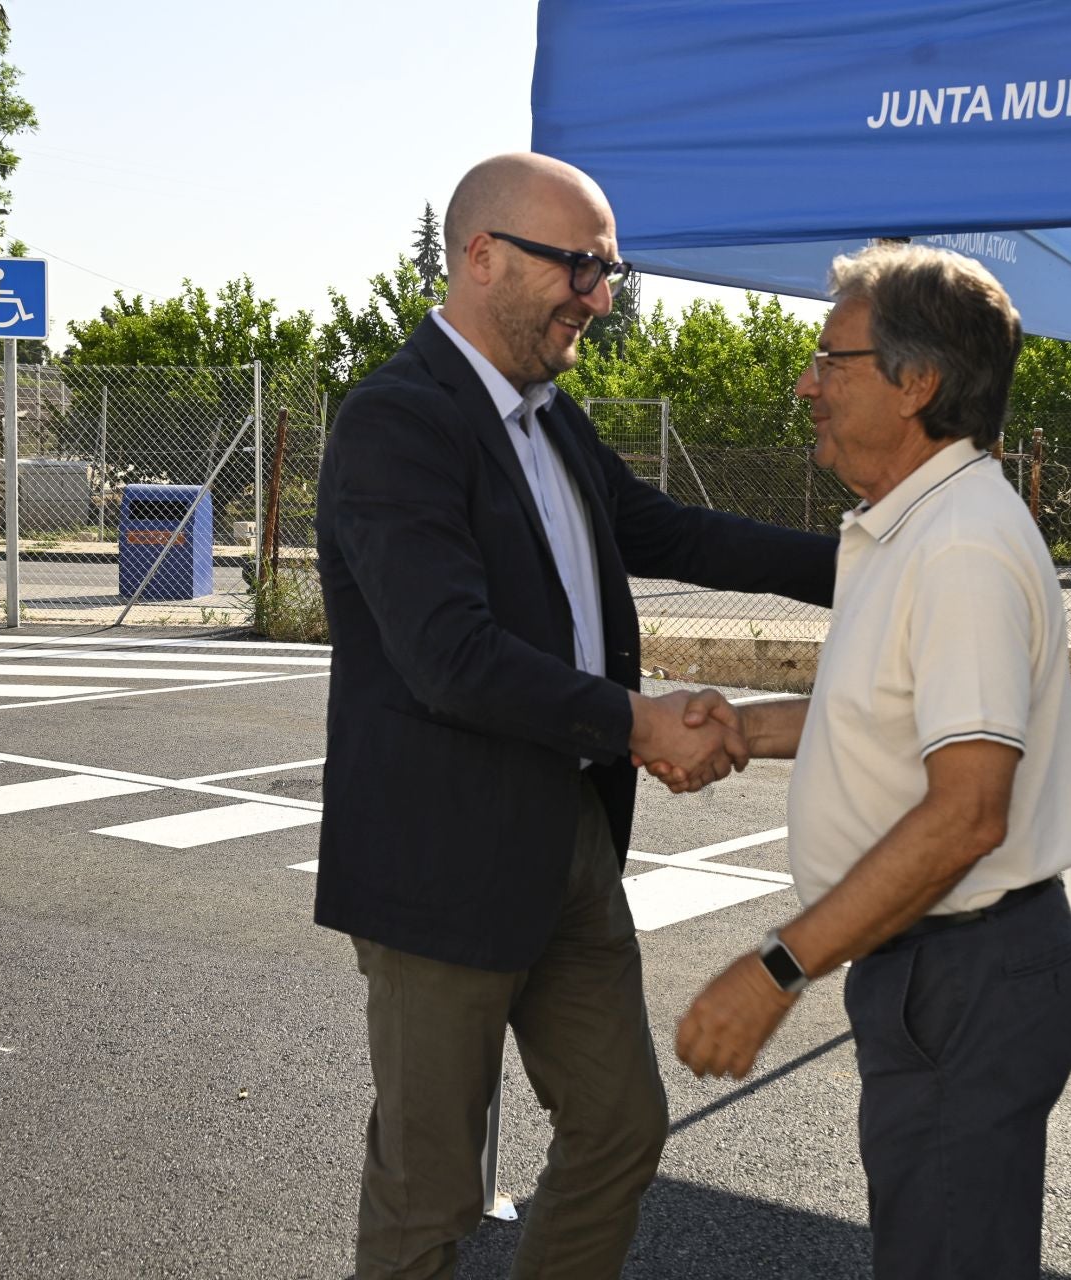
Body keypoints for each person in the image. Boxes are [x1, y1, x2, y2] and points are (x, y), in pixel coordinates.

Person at [313, 151, 835, 1280]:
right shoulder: (397, 420)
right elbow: (450, 656)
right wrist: (639, 723)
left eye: (609, 271)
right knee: (430, 1191)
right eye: (582, 267)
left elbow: (675, 533)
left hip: (569, 846)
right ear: (482, 255)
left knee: (620, 1128)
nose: (601, 297)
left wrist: (870, 563)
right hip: (441, 866)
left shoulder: (549, 418)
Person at [667, 243, 1071, 1279]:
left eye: (832, 359)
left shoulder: (957, 547)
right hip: (939, 970)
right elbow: (892, 719)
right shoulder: (917, 526)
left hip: (965, 972)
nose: (806, 383)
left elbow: (967, 812)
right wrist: (744, 729)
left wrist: (776, 968)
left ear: (917, 384)